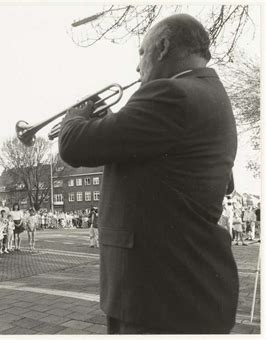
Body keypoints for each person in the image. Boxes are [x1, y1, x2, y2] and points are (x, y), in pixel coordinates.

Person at [58, 14, 238, 334]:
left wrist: (75, 116)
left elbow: (74, 146)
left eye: (142, 53)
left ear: (163, 46)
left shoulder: (172, 94)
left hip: (156, 294)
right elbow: (156, 162)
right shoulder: (209, 94)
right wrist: (111, 123)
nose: (138, 68)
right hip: (184, 289)